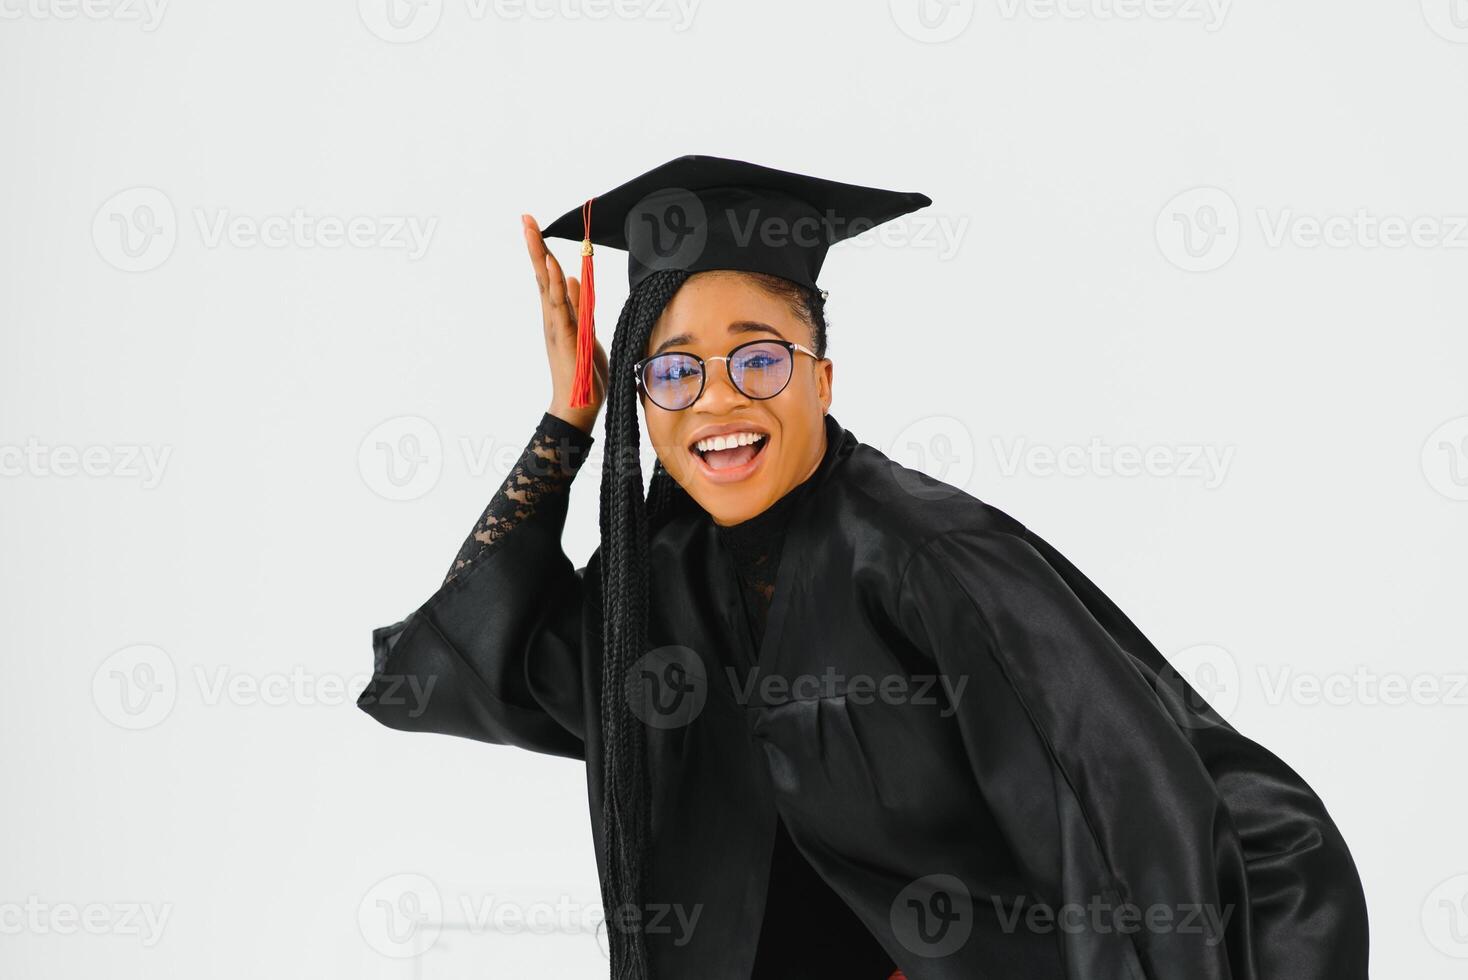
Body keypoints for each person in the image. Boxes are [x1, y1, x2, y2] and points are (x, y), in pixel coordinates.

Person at [358, 155, 1370, 979]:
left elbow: (1126, 808)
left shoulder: (924, 556)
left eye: (758, 357)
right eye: (671, 370)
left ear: (823, 375)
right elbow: (466, 658)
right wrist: (563, 424)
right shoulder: (660, 580)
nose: (716, 401)